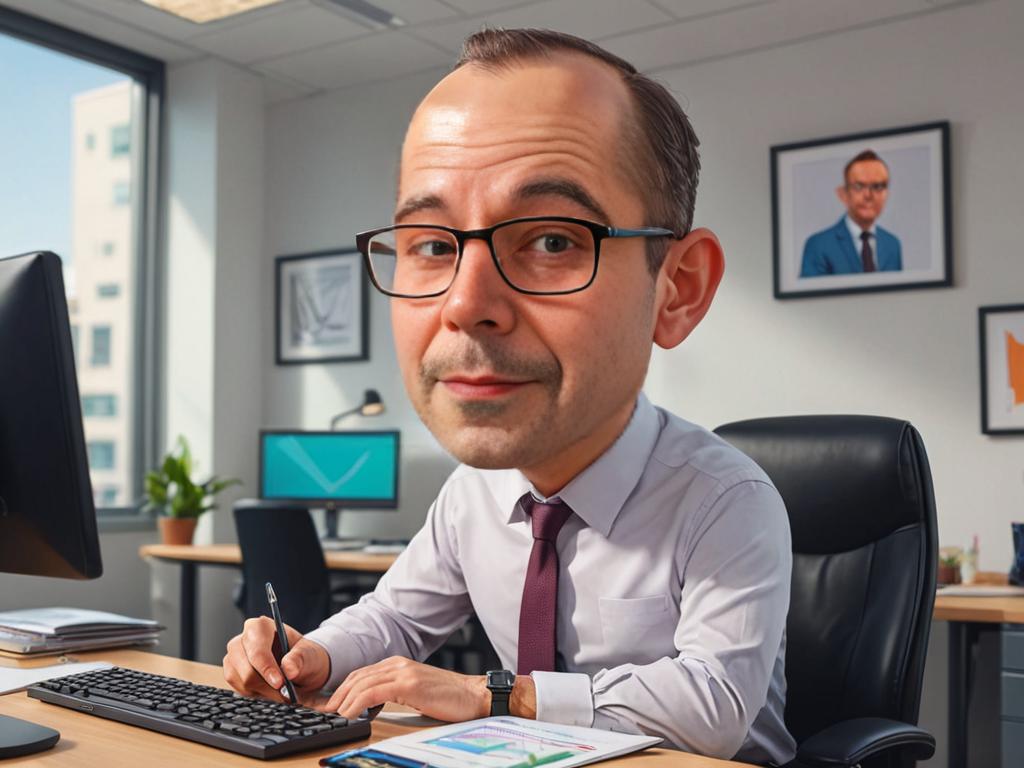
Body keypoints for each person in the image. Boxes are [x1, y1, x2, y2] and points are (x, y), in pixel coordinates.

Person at [223, 28, 795, 764]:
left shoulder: (724, 497)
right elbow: (393, 617)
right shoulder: (476, 494)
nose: (464, 304)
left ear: (676, 290)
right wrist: (313, 658)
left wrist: (498, 695)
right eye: (431, 245)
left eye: (553, 240)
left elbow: (714, 707)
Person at [800, 149, 902, 277]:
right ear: (843, 194)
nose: (868, 195)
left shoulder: (892, 244)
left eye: (878, 187)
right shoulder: (818, 246)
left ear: (886, 194)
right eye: (859, 186)